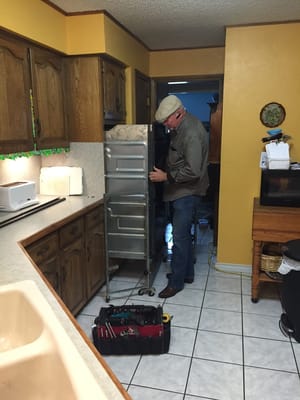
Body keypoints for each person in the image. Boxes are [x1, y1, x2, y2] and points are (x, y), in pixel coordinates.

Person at [149, 95, 209, 298]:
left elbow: (193, 171)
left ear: (179, 113)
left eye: (167, 120)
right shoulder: (181, 125)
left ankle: (176, 283)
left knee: (180, 238)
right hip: (181, 190)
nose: (166, 124)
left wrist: (166, 176)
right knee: (184, 235)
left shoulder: (191, 132)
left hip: (187, 192)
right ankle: (187, 274)